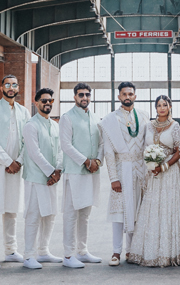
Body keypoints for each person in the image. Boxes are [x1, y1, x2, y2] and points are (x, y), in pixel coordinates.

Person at [128, 95, 180, 267]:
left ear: (170, 107)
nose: (162, 108)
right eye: (159, 105)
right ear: (155, 108)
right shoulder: (148, 126)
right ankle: (152, 252)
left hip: (170, 173)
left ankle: (173, 252)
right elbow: (144, 147)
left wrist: (165, 165)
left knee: (171, 208)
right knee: (153, 209)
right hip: (153, 173)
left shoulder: (175, 126)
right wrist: (151, 164)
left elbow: (179, 150)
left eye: (165, 105)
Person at [0, 74, 30, 269]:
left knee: (11, 209)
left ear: (18, 88)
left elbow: (28, 140)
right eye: (8, 84)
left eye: (14, 85)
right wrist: (7, 161)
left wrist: (17, 161)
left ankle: (10, 250)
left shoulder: (24, 112)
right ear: (1, 88)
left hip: (15, 168)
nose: (11, 88)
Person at [100, 81, 149, 266]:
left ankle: (132, 250)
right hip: (121, 169)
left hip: (140, 169)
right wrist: (113, 178)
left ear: (135, 96)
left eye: (130, 94)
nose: (127, 97)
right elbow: (108, 152)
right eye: (124, 94)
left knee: (137, 210)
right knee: (119, 212)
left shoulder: (144, 116)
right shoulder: (110, 120)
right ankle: (115, 252)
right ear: (119, 96)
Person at [58, 82, 103, 268]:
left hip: (92, 172)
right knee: (71, 214)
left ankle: (82, 251)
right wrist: (86, 161)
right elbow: (66, 145)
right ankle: (68, 256)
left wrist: (97, 161)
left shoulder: (95, 117)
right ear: (74, 97)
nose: (84, 98)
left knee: (85, 213)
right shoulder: (67, 118)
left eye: (87, 95)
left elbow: (102, 143)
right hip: (75, 171)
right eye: (81, 95)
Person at [21, 88, 62, 269]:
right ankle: (29, 255)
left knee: (50, 214)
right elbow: (34, 152)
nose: (47, 104)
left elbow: (61, 150)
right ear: (36, 102)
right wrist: (50, 172)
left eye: (50, 101)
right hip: (36, 178)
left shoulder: (54, 125)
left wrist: (58, 170)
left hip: (52, 178)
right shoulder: (31, 125)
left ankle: (43, 251)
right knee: (34, 215)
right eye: (44, 101)